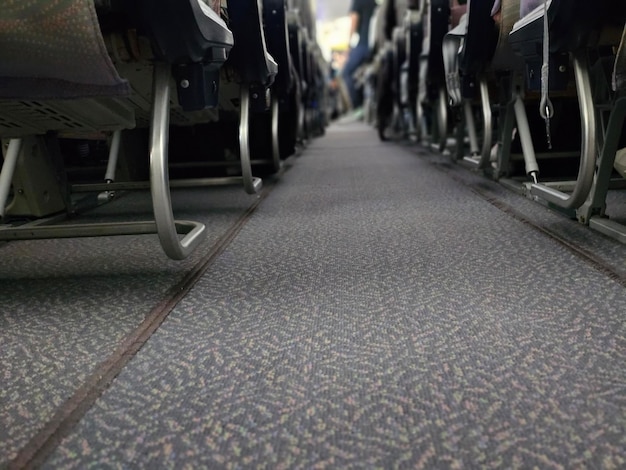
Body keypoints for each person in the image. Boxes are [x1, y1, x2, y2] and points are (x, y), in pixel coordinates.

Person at [342, 0, 378, 110]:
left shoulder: (357, 1)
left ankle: (358, 106)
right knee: (365, 75)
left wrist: (348, 44)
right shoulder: (374, 3)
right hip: (373, 46)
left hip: (363, 44)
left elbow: (354, 19)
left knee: (347, 72)